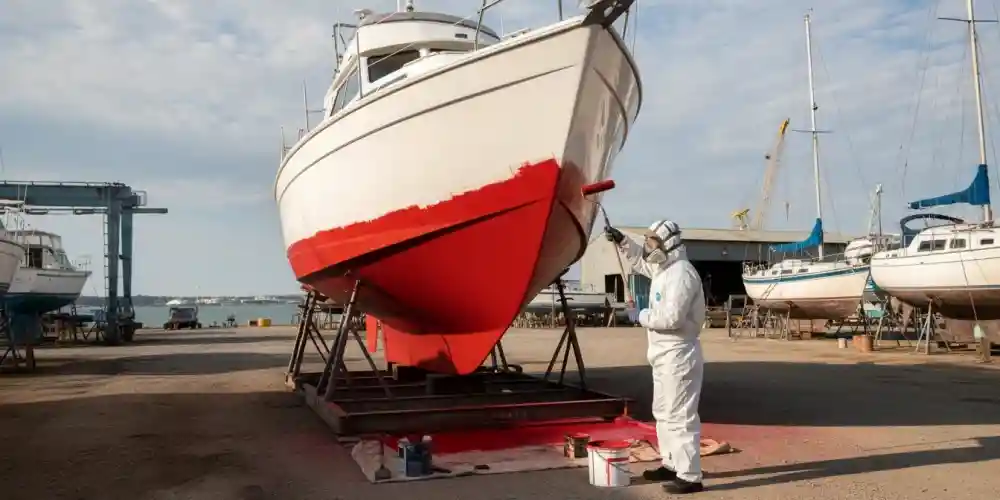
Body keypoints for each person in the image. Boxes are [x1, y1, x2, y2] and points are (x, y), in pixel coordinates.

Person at [605, 220, 706, 494]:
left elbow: (672, 318)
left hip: (679, 353)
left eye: (652, 242)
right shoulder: (665, 269)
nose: (649, 248)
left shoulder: (682, 274)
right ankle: (671, 463)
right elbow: (640, 261)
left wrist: (642, 316)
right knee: (663, 412)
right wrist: (622, 241)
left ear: (667, 243)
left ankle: (690, 475)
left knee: (680, 416)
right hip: (663, 354)